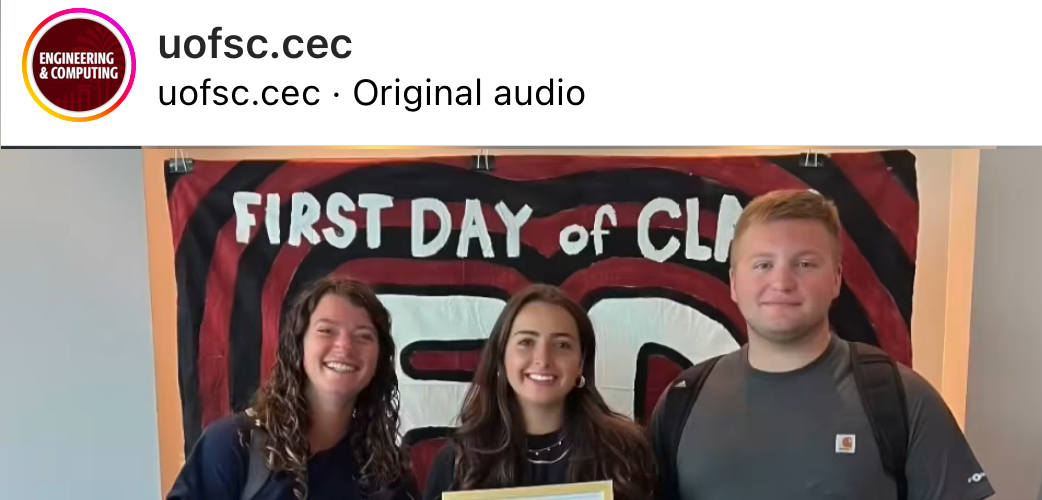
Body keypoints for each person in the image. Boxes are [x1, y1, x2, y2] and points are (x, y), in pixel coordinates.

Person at [648, 189, 995, 500]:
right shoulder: (682, 401)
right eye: (763, 264)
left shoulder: (900, 398)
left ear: (836, 279)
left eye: (804, 264)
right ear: (735, 283)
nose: (781, 282)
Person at [167, 277, 416, 500]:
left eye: (363, 336)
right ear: (298, 346)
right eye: (326, 331)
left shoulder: (387, 472)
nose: (345, 346)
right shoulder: (233, 445)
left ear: (380, 358)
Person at [423, 284, 656, 500]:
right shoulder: (457, 462)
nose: (543, 359)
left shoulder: (624, 454)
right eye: (526, 342)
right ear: (501, 357)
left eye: (562, 345)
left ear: (581, 362)